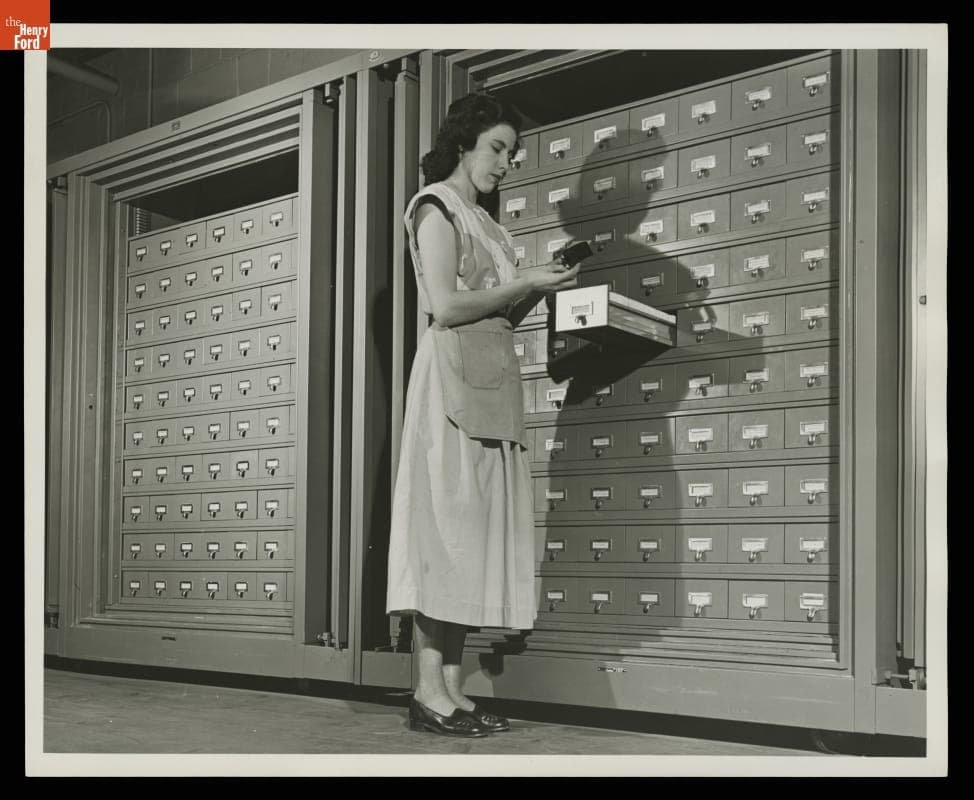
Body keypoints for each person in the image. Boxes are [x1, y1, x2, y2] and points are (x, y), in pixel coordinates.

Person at [386, 93, 581, 737]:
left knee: (472, 541)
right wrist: (525, 283)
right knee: (444, 538)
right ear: (464, 142)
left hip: (493, 388)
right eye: (497, 148)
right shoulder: (435, 207)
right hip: (450, 389)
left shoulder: (492, 228)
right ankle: (426, 690)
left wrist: (537, 283)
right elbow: (445, 305)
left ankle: (450, 688)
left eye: (513, 154)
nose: (505, 163)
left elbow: (498, 311)